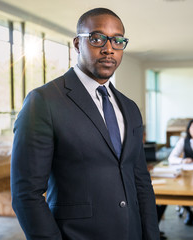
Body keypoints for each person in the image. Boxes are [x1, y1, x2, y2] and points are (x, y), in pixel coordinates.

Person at [11, 8, 160, 240]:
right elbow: (25, 194)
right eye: (97, 38)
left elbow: (141, 182)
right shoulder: (44, 101)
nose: (109, 48)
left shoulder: (130, 108)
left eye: (117, 40)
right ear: (78, 44)